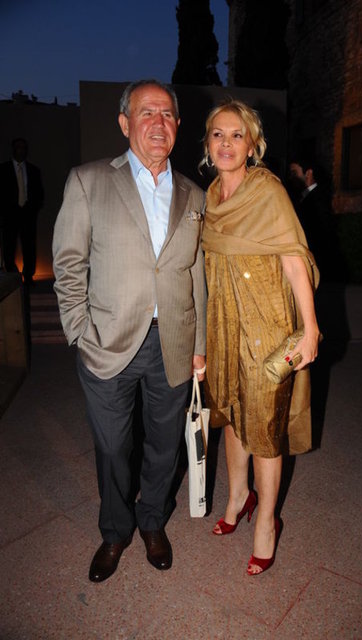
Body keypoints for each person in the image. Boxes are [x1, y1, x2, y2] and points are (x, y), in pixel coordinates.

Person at [52, 79, 206, 582]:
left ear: (177, 125)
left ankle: (152, 521)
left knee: (164, 445)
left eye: (167, 114)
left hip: (174, 342)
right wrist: (79, 331)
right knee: (113, 448)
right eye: (146, 113)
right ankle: (115, 531)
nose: (158, 123)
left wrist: (200, 345)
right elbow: (68, 264)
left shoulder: (195, 194)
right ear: (124, 123)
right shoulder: (88, 181)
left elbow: (197, 275)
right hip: (107, 343)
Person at [200, 100, 320, 575]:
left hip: (266, 322)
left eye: (237, 135)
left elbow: (294, 259)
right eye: (218, 134)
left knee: (265, 428)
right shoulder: (210, 196)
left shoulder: (268, 190)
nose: (227, 143)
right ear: (208, 143)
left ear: (252, 145)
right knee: (232, 415)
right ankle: (237, 497)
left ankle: (267, 521)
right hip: (225, 323)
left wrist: (310, 329)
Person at [0, 138, 44, 284]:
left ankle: (29, 275)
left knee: (29, 246)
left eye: (24, 148)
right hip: (9, 214)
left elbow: (39, 193)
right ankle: (12, 276)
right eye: (18, 147)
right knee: (9, 246)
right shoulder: (3, 169)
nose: (21, 150)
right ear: (13, 149)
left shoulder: (33, 170)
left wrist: (33, 209)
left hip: (28, 214)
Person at [288, 157, 336, 281]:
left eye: (295, 173)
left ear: (308, 173)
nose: (292, 178)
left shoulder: (318, 198)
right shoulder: (304, 197)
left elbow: (322, 231)